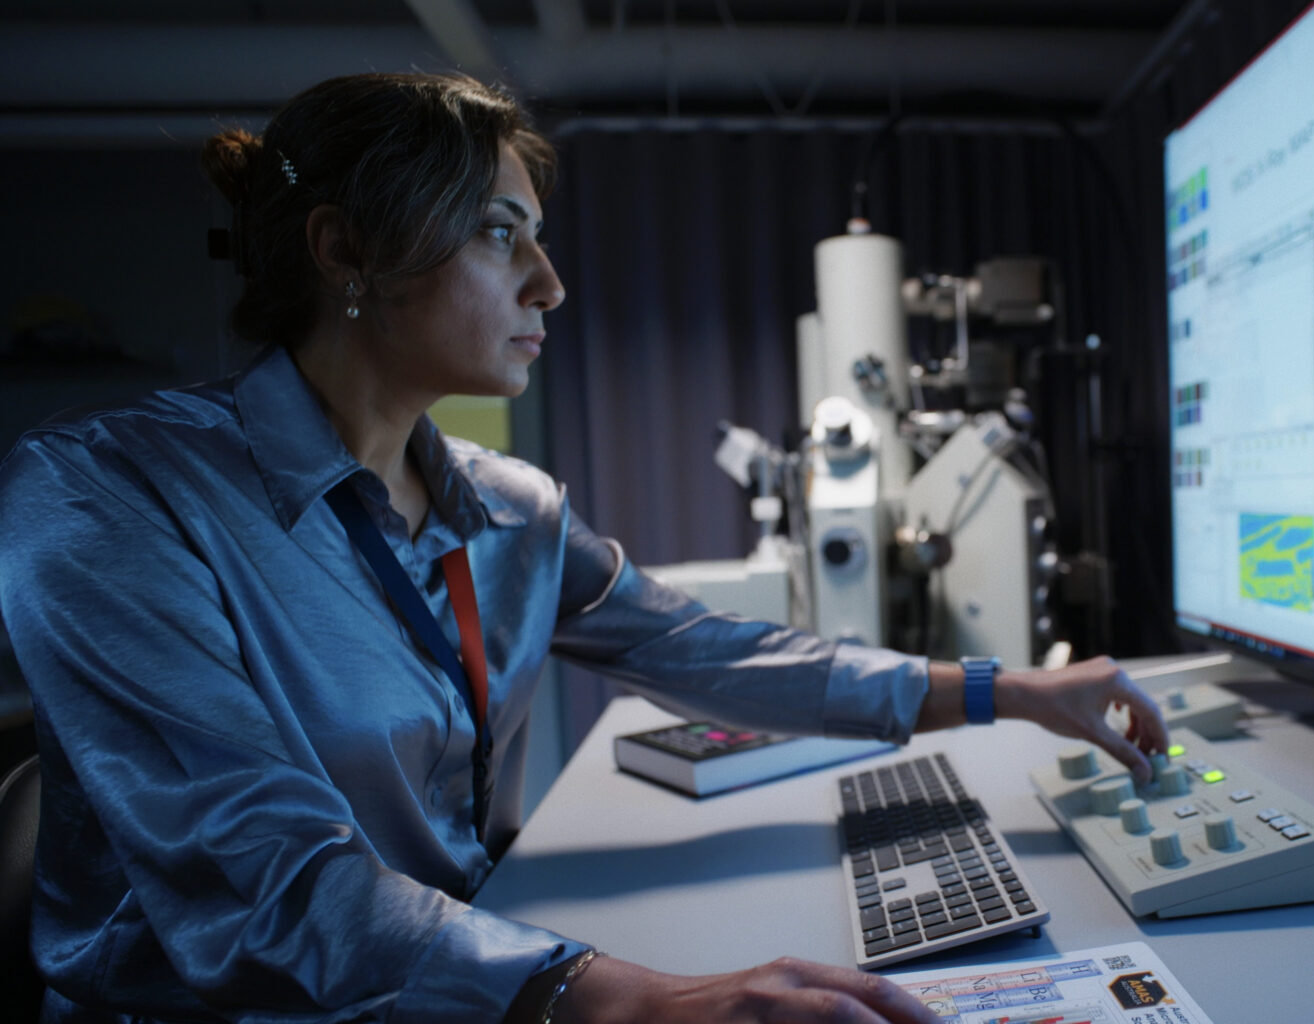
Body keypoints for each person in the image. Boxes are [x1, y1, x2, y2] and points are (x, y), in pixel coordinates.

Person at [0, 72, 1167, 1024]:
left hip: (463, 978)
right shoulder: (107, 498)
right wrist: (627, 999)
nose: (549, 283)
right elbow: (263, 883)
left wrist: (1008, 689)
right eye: (500, 235)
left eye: (540, 239)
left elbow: (709, 653)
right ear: (347, 249)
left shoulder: (510, 509)